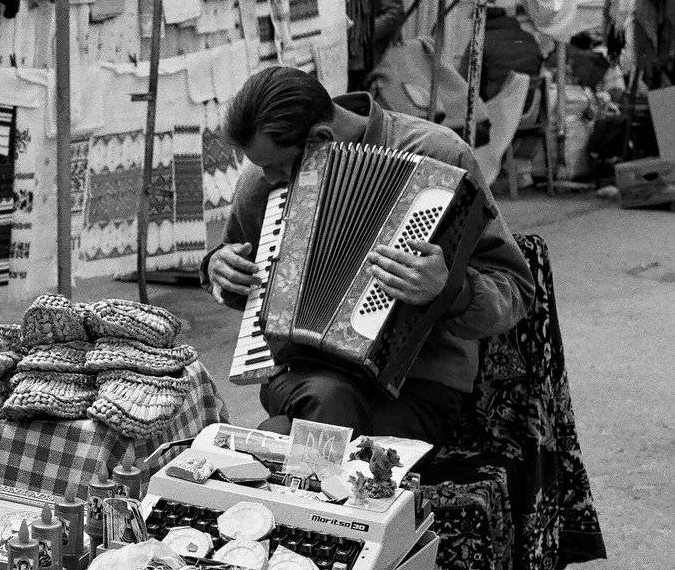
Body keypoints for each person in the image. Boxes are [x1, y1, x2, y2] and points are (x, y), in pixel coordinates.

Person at [202, 66, 534, 443]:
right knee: (327, 401)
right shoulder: (262, 182)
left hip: (417, 384)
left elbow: (515, 290)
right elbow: (246, 286)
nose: (271, 179)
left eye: (278, 167)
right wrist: (219, 268)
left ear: (321, 139)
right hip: (303, 374)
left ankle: (295, 460)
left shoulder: (438, 155)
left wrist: (449, 290)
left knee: (300, 430)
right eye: (261, 166)